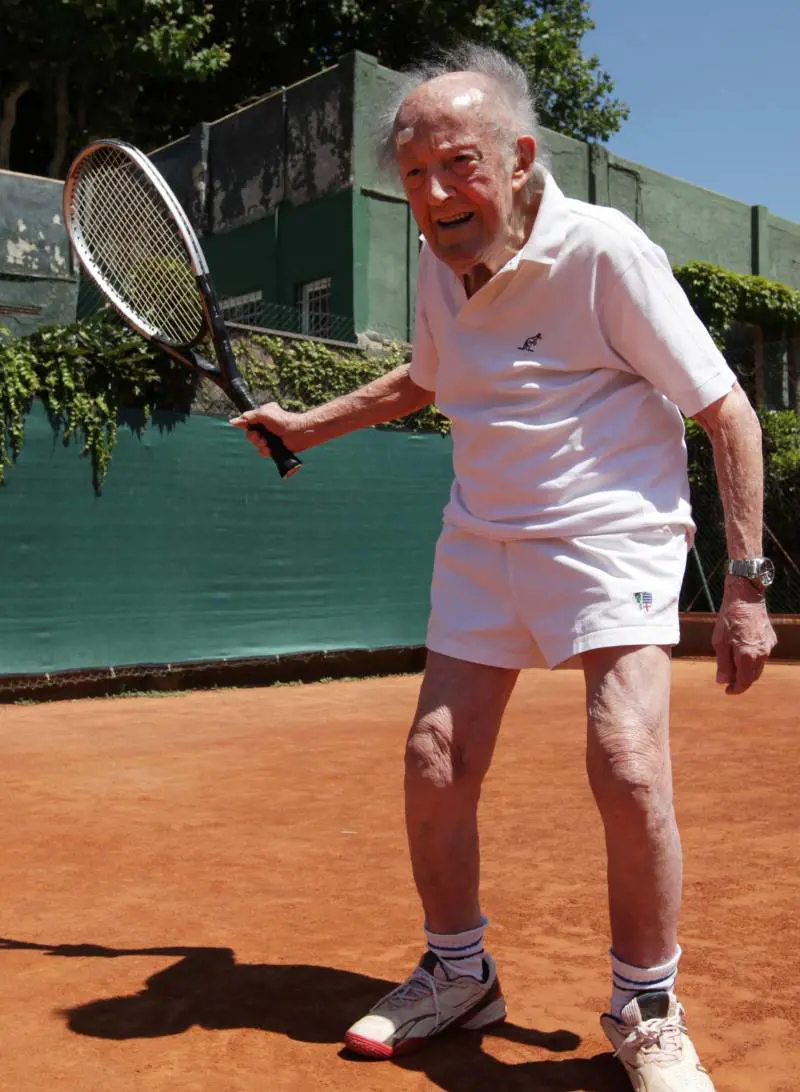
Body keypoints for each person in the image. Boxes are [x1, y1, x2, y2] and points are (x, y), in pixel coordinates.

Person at [231, 44, 777, 1092]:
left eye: (458, 164)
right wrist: (311, 422)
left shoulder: (605, 252)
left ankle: (645, 1004)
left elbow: (725, 408)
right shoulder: (442, 268)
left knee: (624, 759)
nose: (434, 194)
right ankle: (457, 970)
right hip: (483, 534)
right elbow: (423, 380)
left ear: (519, 157)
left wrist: (744, 581)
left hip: (609, 530)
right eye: (415, 174)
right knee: (434, 760)